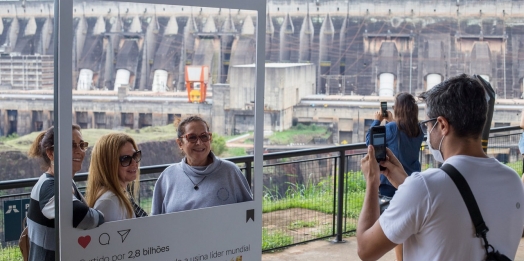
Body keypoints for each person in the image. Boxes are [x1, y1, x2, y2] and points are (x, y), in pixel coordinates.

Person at [357, 74, 524, 260]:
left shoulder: (424, 188)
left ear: (443, 125)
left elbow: (365, 250)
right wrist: (407, 183)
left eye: (428, 124)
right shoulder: (513, 181)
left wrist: (372, 182)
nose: (427, 131)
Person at [26, 125, 105, 261]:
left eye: (81, 145)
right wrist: (101, 216)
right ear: (50, 153)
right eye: (71, 145)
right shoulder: (49, 186)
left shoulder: (64, 181)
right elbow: (83, 217)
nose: (79, 151)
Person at [151, 116, 252, 214]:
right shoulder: (168, 176)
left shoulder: (230, 172)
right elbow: (155, 223)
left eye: (204, 136)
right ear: (180, 143)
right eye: (192, 137)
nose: (199, 143)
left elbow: (250, 215)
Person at [365, 93, 423, 261]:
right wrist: (391, 122)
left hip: (389, 187)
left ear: (397, 109)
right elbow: (401, 139)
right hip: (410, 183)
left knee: (398, 232)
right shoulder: (418, 130)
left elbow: (370, 143)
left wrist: (377, 121)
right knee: (407, 228)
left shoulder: (391, 129)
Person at [86, 133, 147, 222]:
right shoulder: (109, 202)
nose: (134, 163)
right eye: (125, 159)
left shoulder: (119, 195)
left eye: (135, 156)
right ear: (108, 164)